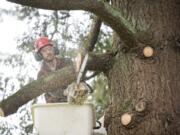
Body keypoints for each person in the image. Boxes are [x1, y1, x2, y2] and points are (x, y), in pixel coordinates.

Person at [34, 37, 73, 103]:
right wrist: (66, 93)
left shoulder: (66, 62)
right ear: (40, 55)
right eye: (44, 51)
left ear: (54, 50)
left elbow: (77, 76)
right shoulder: (41, 75)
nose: (48, 52)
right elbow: (51, 91)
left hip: (75, 102)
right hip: (54, 107)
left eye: (50, 49)